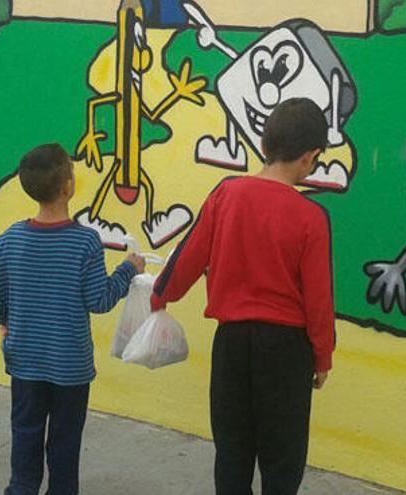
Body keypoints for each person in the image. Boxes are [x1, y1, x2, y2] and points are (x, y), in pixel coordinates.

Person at [150, 98, 336, 494]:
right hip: (287, 351)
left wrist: (161, 295)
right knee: (282, 460)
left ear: (265, 144)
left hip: (232, 344)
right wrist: (322, 356)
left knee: (232, 453)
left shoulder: (226, 194)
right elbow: (318, 299)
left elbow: (189, 254)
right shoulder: (311, 217)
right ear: (310, 157)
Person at [0, 143, 145, 495]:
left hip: (25, 362)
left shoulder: (12, 237)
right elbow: (100, 300)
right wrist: (129, 269)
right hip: (70, 367)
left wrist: (5, 315)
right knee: (65, 443)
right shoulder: (85, 242)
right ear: (68, 186)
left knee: (25, 432)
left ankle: (21, 489)